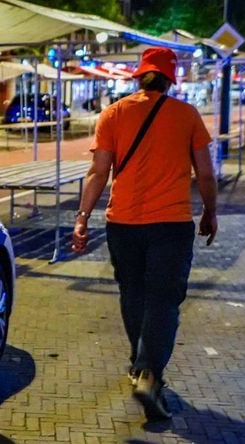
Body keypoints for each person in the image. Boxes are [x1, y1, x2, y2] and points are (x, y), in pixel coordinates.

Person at [70, 46, 218, 421]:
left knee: (133, 293)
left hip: (122, 224)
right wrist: (210, 211)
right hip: (171, 224)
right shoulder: (186, 115)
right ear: (170, 79)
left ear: (140, 76)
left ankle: (139, 366)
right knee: (164, 299)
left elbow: (98, 172)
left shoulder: (113, 113)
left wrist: (82, 217)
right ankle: (149, 374)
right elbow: (205, 173)